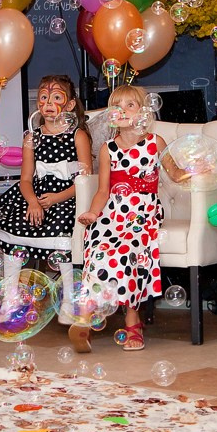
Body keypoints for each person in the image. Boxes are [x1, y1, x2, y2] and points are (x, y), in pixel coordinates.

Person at [73, 85, 178, 353]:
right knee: (98, 248)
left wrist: (197, 169)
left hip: (143, 212)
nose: (122, 111)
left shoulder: (155, 143)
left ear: (143, 112)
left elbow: (176, 173)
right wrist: (93, 213)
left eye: (129, 105)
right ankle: (85, 319)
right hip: (112, 212)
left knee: (127, 250)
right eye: (116, 106)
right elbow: (102, 191)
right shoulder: (108, 149)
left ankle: (133, 321)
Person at [0, 74, 92, 266]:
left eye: (56, 97)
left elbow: (85, 179)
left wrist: (56, 198)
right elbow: (25, 179)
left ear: (70, 105)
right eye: (43, 97)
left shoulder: (78, 135)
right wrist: (33, 202)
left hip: (68, 197)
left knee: (62, 226)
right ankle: (11, 283)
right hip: (35, 196)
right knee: (16, 222)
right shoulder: (32, 138)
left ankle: (68, 284)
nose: (48, 102)